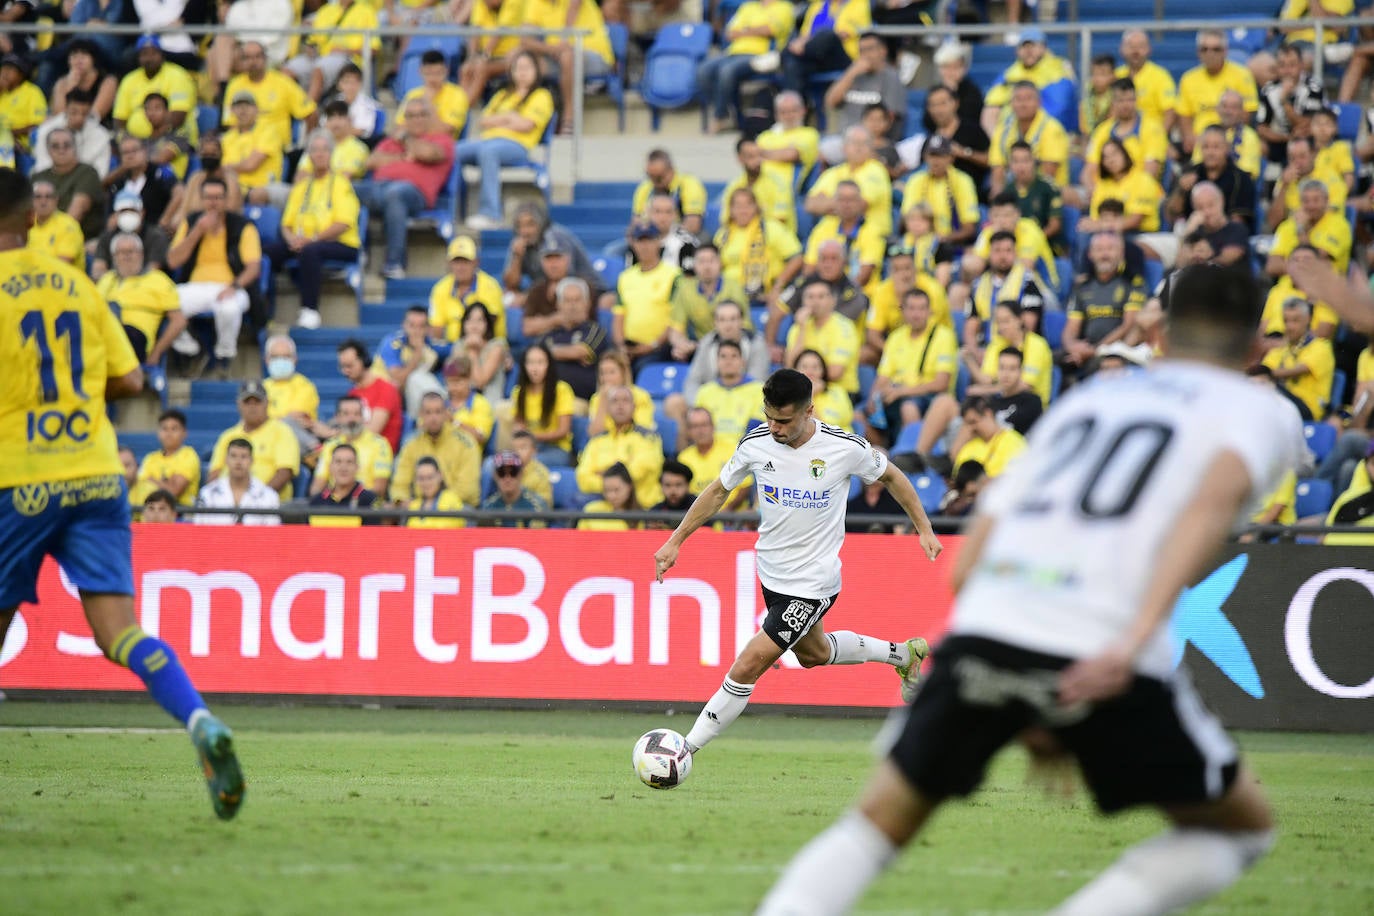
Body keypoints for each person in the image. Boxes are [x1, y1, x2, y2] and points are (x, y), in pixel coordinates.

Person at [755, 264, 1301, 916]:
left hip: (986, 628)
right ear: (1259, 347)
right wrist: (1127, 647)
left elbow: (971, 559)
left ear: (1158, 335)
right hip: (1096, 646)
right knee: (1243, 827)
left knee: (875, 823)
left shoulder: (1091, 403)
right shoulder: (1258, 408)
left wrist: (1007, 671)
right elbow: (1208, 514)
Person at [0, 168, 243, 820]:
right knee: (122, 633)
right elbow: (133, 378)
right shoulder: (80, 285)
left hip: (20, 477)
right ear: (33, 219)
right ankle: (198, 721)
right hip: (99, 475)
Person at [654, 368, 942, 762]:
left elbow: (892, 476)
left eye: (784, 420)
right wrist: (676, 540)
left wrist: (923, 528)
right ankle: (904, 655)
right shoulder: (756, 443)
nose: (774, 427)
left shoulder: (843, 447)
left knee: (749, 663)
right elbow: (719, 490)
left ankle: (684, 749)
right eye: (769, 416)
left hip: (814, 583)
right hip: (772, 575)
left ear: (810, 410)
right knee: (814, 654)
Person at [262, 130, 361, 329]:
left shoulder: (341, 184)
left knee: (310, 251)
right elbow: (286, 224)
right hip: (304, 243)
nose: (319, 154)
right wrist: (292, 240)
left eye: (324, 150)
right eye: (314, 150)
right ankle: (264, 310)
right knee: (268, 253)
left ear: (331, 154)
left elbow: (343, 223)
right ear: (308, 155)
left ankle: (310, 310)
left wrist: (312, 239)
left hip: (341, 244)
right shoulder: (301, 187)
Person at [165, 177, 263, 375]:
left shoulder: (243, 226)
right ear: (201, 200)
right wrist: (197, 232)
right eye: (209, 198)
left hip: (231, 286)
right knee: (164, 302)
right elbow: (173, 261)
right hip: (195, 287)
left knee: (229, 309)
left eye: (218, 198)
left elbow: (253, 267)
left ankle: (223, 355)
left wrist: (233, 287)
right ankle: (192, 349)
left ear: (226, 200)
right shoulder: (191, 222)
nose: (213, 203)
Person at [455, 51, 556, 231]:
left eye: (527, 68)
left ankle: (491, 214)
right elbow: (483, 121)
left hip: (517, 146)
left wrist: (500, 119)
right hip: (487, 141)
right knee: (452, 150)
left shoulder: (541, 95)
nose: (522, 72)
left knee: (489, 152)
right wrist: (510, 117)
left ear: (536, 71)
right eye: (518, 68)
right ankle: (449, 208)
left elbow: (526, 125)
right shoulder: (502, 94)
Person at [356, 98, 455, 279]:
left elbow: (428, 153)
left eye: (421, 115)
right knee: (346, 189)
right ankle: (357, 251)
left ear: (429, 117)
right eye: (411, 116)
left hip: (415, 193)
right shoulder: (390, 142)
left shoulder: (441, 139)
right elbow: (370, 162)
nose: (416, 120)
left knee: (396, 194)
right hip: (379, 188)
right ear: (405, 119)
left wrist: (405, 138)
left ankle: (395, 264)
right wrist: (404, 155)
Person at [869, 288, 957, 439]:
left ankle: (913, 458)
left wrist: (901, 391)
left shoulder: (943, 336)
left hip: (928, 397)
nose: (916, 314)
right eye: (911, 308)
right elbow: (883, 377)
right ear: (903, 311)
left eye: (922, 309)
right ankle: (882, 455)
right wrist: (873, 397)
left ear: (929, 311)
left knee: (908, 407)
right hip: (897, 394)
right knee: (860, 414)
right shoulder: (895, 337)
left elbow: (941, 384)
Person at [698, 0, 795, 134]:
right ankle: (726, 112)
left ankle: (719, 117)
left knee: (727, 71)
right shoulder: (748, 6)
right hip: (734, 52)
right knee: (704, 70)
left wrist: (744, 30)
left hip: (761, 55)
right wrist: (756, 30)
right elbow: (729, 33)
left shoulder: (784, 7)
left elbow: (772, 29)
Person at [1061, 232, 1146, 376]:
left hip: (1119, 350)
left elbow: (1128, 325)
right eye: (1099, 249)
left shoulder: (1133, 283)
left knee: (1101, 366)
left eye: (1110, 249)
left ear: (1121, 253)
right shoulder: (1082, 287)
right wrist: (1073, 347)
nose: (1104, 254)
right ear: (1090, 254)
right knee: (1057, 361)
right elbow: (1071, 327)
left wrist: (1096, 350)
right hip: (1086, 350)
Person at [98, 232, 184, 372]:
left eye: (131, 251)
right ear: (114, 257)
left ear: (141, 254)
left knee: (120, 330)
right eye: (121, 252)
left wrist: (157, 352)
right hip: (104, 332)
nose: (127, 256)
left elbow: (178, 320)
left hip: (135, 337)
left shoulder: (158, 280)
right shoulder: (106, 280)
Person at [817, 32, 905, 166]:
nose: (865, 55)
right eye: (861, 50)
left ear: (883, 51)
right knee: (817, 152)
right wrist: (851, 72)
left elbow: (890, 118)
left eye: (870, 49)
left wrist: (861, 140)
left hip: (872, 142)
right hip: (844, 140)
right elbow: (830, 102)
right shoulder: (853, 76)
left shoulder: (891, 78)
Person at [208, 380, 302, 501]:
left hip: (268, 505)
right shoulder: (227, 436)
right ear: (239, 404)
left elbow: (284, 472)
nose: (252, 407)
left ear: (267, 403)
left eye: (257, 402)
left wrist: (257, 499)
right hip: (226, 503)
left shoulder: (282, 431)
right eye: (247, 402)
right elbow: (215, 473)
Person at [576, 386, 665, 508]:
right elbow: (583, 477)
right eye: (615, 401)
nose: (620, 405)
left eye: (625, 400)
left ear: (634, 407)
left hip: (641, 508)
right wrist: (615, 482)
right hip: (603, 506)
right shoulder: (597, 440)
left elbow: (642, 469)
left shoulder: (648, 437)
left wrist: (603, 475)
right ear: (608, 409)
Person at [390, 391, 481, 508]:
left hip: (455, 507)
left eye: (438, 412)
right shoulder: (411, 444)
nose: (433, 418)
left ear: (446, 413)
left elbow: (468, 490)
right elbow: (399, 484)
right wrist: (402, 500)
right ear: (420, 415)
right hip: (419, 508)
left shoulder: (466, 443)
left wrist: (436, 504)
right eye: (428, 412)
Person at [1176, 29, 1260, 156]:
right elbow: (1184, 115)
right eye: (1204, 49)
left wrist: (1222, 139)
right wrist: (1189, 136)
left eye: (1216, 49)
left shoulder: (1242, 75)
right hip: (1199, 140)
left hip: (1232, 137)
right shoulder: (1188, 79)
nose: (1210, 54)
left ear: (1225, 51)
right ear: (1198, 52)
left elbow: (1248, 113)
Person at [1260, 298, 1336, 420]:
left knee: (1266, 388)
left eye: (1295, 320)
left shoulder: (1321, 346)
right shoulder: (1280, 350)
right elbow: (1264, 370)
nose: (1289, 326)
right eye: (1286, 321)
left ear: (1308, 320)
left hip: (1308, 409)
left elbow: (1298, 370)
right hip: (1283, 403)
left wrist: (1264, 375)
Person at [539, 277, 610, 400]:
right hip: (547, 398)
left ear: (587, 303)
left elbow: (581, 351)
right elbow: (537, 355)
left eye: (577, 300)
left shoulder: (594, 330)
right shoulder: (550, 335)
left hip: (579, 400)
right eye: (567, 300)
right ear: (558, 305)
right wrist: (568, 353)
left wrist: (551, 352)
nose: (572, 306)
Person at [312, 395, 396, 497]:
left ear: (363, 417)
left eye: (357, 414)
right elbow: (317, 486)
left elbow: (379, 489)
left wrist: (351, 501)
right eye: (346, 414)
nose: (352, 419)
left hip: (366, 505)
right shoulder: (330, 445)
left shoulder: (379, 444)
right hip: (333, 505)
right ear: (337, 417)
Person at [429, 235, 507, 344]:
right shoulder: (440, 288)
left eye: (465, 261)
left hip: (487, 345)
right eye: (456, 262)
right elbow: (436, 327)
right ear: (449, 264)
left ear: (476, 262)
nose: (460, 267)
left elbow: (490, 325)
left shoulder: (490, 285)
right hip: (453, 347)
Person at [31, 127, 105, 240]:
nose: (61, 150)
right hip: (40, 238)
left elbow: (75, 214)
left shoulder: (87, 172)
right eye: (55, 146)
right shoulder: (37, 177)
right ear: (48, 150)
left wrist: (51, 239)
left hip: (76, 238)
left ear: (75, 148)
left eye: (67, 145)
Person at [511, 341, 576, 463]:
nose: (535, 368)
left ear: (549, 365)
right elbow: (518, 427)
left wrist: (532, 437)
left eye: (540, 362)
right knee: (495, 464)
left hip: (556, 449)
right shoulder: (518, 392)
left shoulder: (562, 390)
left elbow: (563, 431)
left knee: (526, 463)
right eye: (530, 363)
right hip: (528, 448)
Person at [193, 438, 283, 526]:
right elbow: (198, 529)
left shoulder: (269, 495)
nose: (238, 462)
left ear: (252, 461)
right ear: (226, 460)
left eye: (244, 456)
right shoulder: (207, 493)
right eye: (233, 456)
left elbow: (272, 533)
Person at [337, 338, 404, 452]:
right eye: (342, 367)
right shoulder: (353, 393)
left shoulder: (385, 389)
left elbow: (373, 430)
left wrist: (335, 433)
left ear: (363, 360)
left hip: (379, 454)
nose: (345, 371)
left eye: (349, 366)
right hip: (355, 452)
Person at [32, 88, 110, 180]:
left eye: (84, 114)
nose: (79, 118)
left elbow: (100, 173)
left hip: (84, 185)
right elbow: (42, 165)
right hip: (51, 182)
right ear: (66, 109)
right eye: (74, 112)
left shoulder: (101, 136)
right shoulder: (46, 130)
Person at [631, 149, 708, 238]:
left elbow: (693, 225)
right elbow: (636, 224)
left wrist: (667, 240)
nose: (654, 182)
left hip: (685, 238)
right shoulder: (645, 188)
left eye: (659, 178)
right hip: (653, 239)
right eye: (650, 176)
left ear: (671, 170)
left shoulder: (689, 184)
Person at [133, 409, 200, 510]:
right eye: (164, 429)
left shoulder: (189, 455)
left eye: (174, 429)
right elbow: (139, 486)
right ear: (158, 432)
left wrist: (151, 479)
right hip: (150, 509)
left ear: (184, 433)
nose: (169, 433)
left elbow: (173, 492)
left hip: (181, 511)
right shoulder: (150, 458)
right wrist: (166, 483)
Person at [307, 443, 381, 527]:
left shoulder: (369, 500)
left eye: (349, 462)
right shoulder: (317, 501)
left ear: (357, 467)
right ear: (330, 467)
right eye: (338, 462)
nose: (343, 468)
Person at [480, 450, 551, 527]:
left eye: (513, 472)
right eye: (501, 473)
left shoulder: (537, 506)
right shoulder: (488, 507)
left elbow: (539, 538)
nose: (507, 479)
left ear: (521, 474)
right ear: (495, 476)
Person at [25, 179, 83, 264]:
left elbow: (63, 265)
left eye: (48, 197)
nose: (43, 202)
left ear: (56, 200)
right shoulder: (25, 224)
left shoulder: (68, 225)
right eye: (38, 197)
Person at [404, 456, 466, 528]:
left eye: (430, 477)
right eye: (421, 478)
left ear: (440, 475)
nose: (426, 483)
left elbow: (451, 526)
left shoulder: (451, 498)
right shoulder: (414, 505)